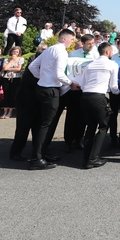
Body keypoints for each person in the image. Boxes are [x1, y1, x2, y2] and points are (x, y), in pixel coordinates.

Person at [27, 29, 76, 170]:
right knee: (46, 124)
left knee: (45, 123)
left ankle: (41, 153)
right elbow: (60, 74)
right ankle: (36, 158)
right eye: (71, 40)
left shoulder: (49, 50)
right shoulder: (61, 52)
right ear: (64, 39)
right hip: (51, 90)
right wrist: (70, 83)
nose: (72, 42)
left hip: (42, 87)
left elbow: (32, 66)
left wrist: (42, 78)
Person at [70, 42, 118, 169]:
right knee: (103, 126)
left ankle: (86, 157)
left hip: (85, 97)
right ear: (107, 52)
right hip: (98, 96)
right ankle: (93, 157)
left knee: (90, 126)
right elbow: (113, 87)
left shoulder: (90, 65)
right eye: (111, 51)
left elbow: (83, 83)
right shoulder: (112, 64)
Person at [8, 44, 46, 162]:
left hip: (34, 101)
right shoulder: (34, 69)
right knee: (23, 128)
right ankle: (16, 152)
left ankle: (37, 152)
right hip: (26, 101)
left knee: (36, 127)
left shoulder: (37, 67)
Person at [0, 46, 24, 119]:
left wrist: (9, 68)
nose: (15, 53)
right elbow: (4, 68)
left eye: (16, 52)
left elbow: (19, 69)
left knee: (13, 94)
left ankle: (10, 112)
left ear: (19, 53)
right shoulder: (7, 59)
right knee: (6, 94)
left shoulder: (21, 59)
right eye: (14, 51)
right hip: (6, 78)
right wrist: (11, 62)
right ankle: (5, 112)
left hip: (16, 78)